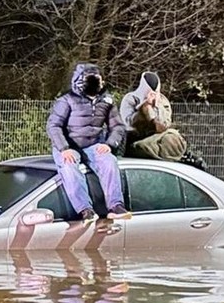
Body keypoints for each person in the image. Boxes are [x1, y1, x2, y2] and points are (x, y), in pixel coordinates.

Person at [45, 62, 131, 222]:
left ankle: (116, 206)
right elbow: (53, 125)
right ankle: (85, 210)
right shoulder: (67, 100)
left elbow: (118, 126)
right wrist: (64, 148)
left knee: (109, 161)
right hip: (68, 146)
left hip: (93, 145)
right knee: (69, 167)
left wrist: (109, 144)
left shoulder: (107, 101)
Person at [118, 71, 190, 162]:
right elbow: (128, 124)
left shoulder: (163, 102)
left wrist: (155, 108)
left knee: (173, 137)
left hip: (156, 137)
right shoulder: (130, 98)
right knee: (142, 146)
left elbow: (164, 125)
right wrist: (144, 109)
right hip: (135, 140)